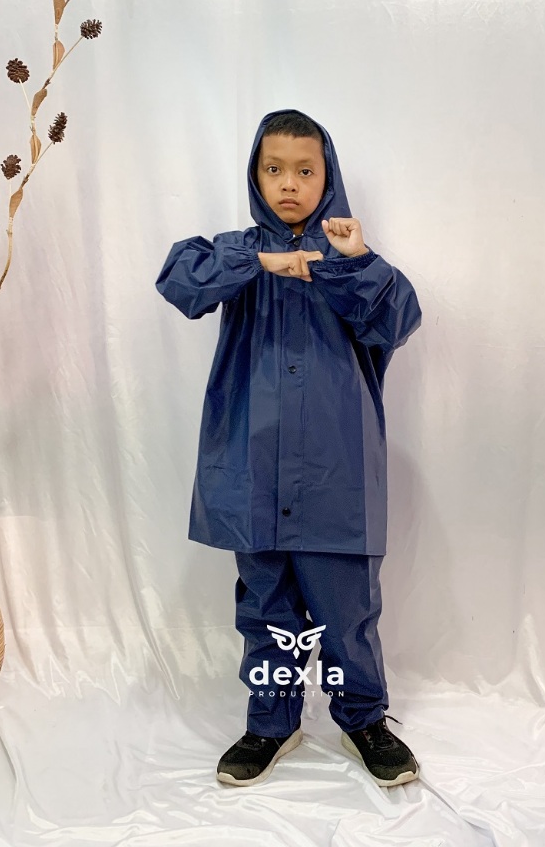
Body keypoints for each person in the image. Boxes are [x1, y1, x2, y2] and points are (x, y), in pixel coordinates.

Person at [155, 108, 423, 788]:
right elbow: (180, 280)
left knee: (346, 611)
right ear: (255, 176)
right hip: (256, 467)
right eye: (274, 169)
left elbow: (400, 320)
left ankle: (363, 719)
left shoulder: (352, 262)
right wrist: (259, 260)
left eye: (305, 170)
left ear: (328, 177)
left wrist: (355, 262)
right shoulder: (239, 253)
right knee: (265, 607)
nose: (289, 183)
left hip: (337, 471)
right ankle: (272, 722)